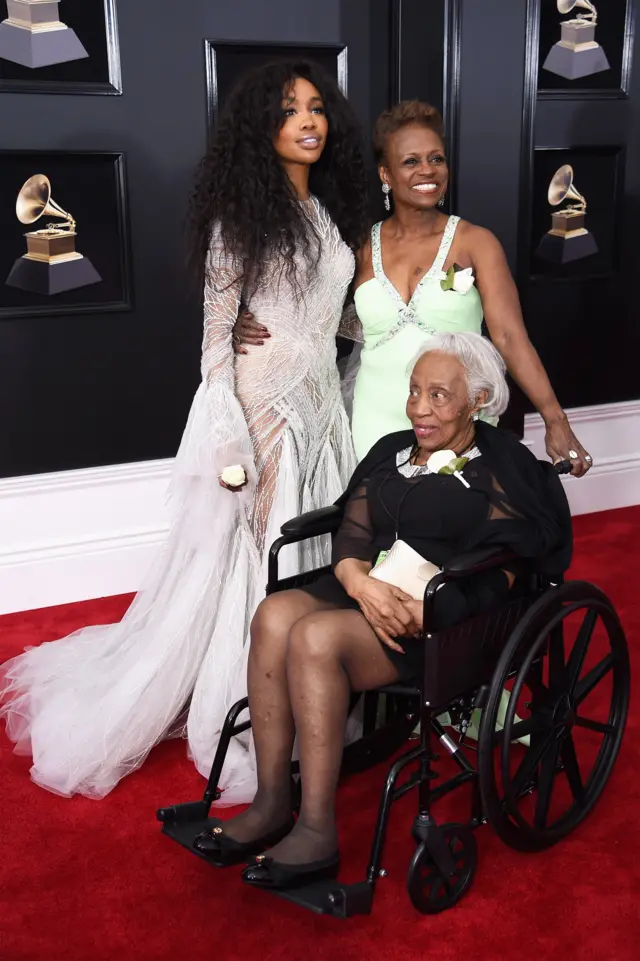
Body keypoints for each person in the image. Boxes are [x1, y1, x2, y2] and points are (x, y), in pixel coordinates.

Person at [0, 60, 369, 802]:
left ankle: (313, 685)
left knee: (315, 550)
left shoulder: (327, 211)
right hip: (267, 411)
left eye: (317, 107)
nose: (309, 120)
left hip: (324, 406)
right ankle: (254, 709)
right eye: (291, 109)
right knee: (264, 554)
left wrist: (378, 331)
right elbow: (214, 346)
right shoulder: (242, 220)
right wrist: (233, 445)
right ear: (260, 127)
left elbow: (337, 314)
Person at [192, 332, 572, 887]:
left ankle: (318, 831)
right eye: (415, 391)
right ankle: (274, 801)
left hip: (443, 617)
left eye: (439, 395)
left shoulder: (504, 464)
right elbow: (354, 529)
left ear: (479, 401)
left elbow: (514, 563)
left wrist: (433, 604)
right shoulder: (392, 450)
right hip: (369, 587)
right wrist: (356, 577)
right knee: (273, 614)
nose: (419, 406)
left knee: (315, 638)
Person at [232, 100, 592, 477]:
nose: (427, 171)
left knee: (453, 524)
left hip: (456, 419)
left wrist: (554, 418)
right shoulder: (359, 249)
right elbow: (308, 311)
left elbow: (509, 336)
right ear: (386, 174)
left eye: (436, 159)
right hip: (375, 418)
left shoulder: (476, 243)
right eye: (411, 161)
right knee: (382, 528)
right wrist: (247, 320)